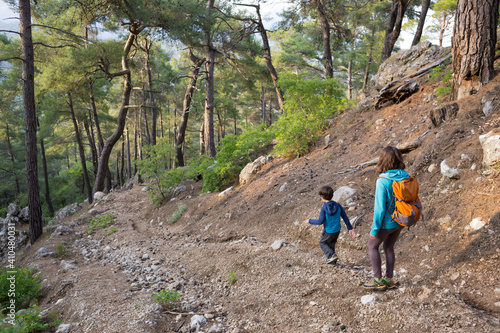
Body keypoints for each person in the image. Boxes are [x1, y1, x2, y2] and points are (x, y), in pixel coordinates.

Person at [363, 146, 407, 290]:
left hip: (387, 222)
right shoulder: (405, 176)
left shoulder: (383, 180)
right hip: (400, 220)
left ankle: (377, 280)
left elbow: (380, 209)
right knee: (389, 247)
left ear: (383, 160)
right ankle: (389, 279)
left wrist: (374, 229)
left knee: (372, 246)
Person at [303, 185, 356, 264]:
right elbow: (345, 217)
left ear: (322, 197)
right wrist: (350, 228)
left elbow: (320, 221)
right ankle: (333, 263)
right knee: (331, 245)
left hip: (328, 231)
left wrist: (309, 221)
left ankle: (331, 256)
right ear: (332, 195)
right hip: (337, 230)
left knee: (322, 243)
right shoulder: (338, 205)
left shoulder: (324, 207)